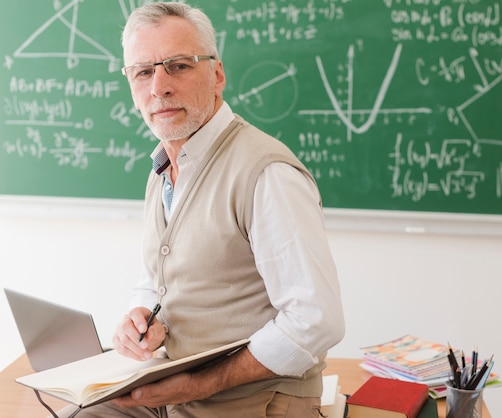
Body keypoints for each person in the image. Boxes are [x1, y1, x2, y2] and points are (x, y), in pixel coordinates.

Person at [55, 2, 344, 417]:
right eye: (143, 72)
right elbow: (157, 282)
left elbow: (317, 320)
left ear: (217, 75)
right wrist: (139, 321)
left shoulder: (268, 174)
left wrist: (203, 382)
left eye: (178, 66)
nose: (159, 87)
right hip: (171, 394)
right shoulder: (163, 170)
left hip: (251, 402)